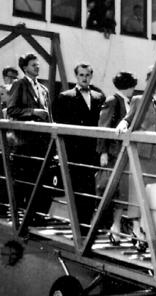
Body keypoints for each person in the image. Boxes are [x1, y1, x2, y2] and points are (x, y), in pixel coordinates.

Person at [116, 66, 156, 250]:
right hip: (142, 156)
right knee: (138, 195)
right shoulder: (138, 100)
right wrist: (122, 125)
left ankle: (149, 234)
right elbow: (127, 119)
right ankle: (137, 231)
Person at [54, 63, 106, 231]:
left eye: (87, 75)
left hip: (92, 151)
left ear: (91, 76)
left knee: (91, 188)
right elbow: (60, 122)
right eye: (81, 75)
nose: (84, 78)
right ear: (76, 76)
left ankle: (86, 224)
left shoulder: (99, 97)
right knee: (76, 188)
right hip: (74, 150)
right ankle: (78, 225)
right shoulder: (65, 96)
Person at [7, 54, 52, 215]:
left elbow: (49, 116)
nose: (37, 67)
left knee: (39, 180)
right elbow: (11, 110)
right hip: (24, 141)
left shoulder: (43, 89)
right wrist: (33, 112)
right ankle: (19, 216)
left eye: (38, 64)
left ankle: (34, 215)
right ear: (25, 67)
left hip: (41, 142)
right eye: (34, 65)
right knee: (23, 180)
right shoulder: (19, 84)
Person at [97, 71, 138, 244]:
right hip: (114, 153)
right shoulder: (112, 100)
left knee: (125, 192)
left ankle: (121, 228)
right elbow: (103, 126)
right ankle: (115, 228)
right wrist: (103, 151)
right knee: (117, 191)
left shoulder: (129, 101)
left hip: (126, 153)